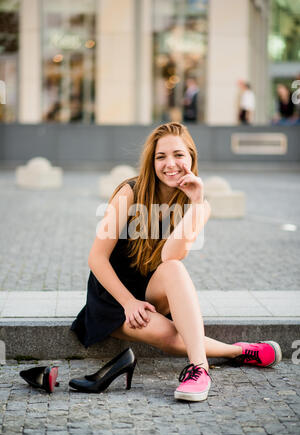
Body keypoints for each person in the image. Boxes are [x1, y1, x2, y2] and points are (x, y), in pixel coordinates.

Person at [71, 122, 282, 402]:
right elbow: (96, 258)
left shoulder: (199, 205)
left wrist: (196, 203)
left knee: (173, 268)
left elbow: (170, 257)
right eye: (161, 157)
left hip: (153, 288)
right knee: (172, 335)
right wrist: (128, 302)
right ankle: (239, 351)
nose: (170, 164)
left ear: (192, 158)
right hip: (113, 299)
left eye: (178, 155)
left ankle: (199, 369)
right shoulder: (130, 193)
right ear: (152, 161)